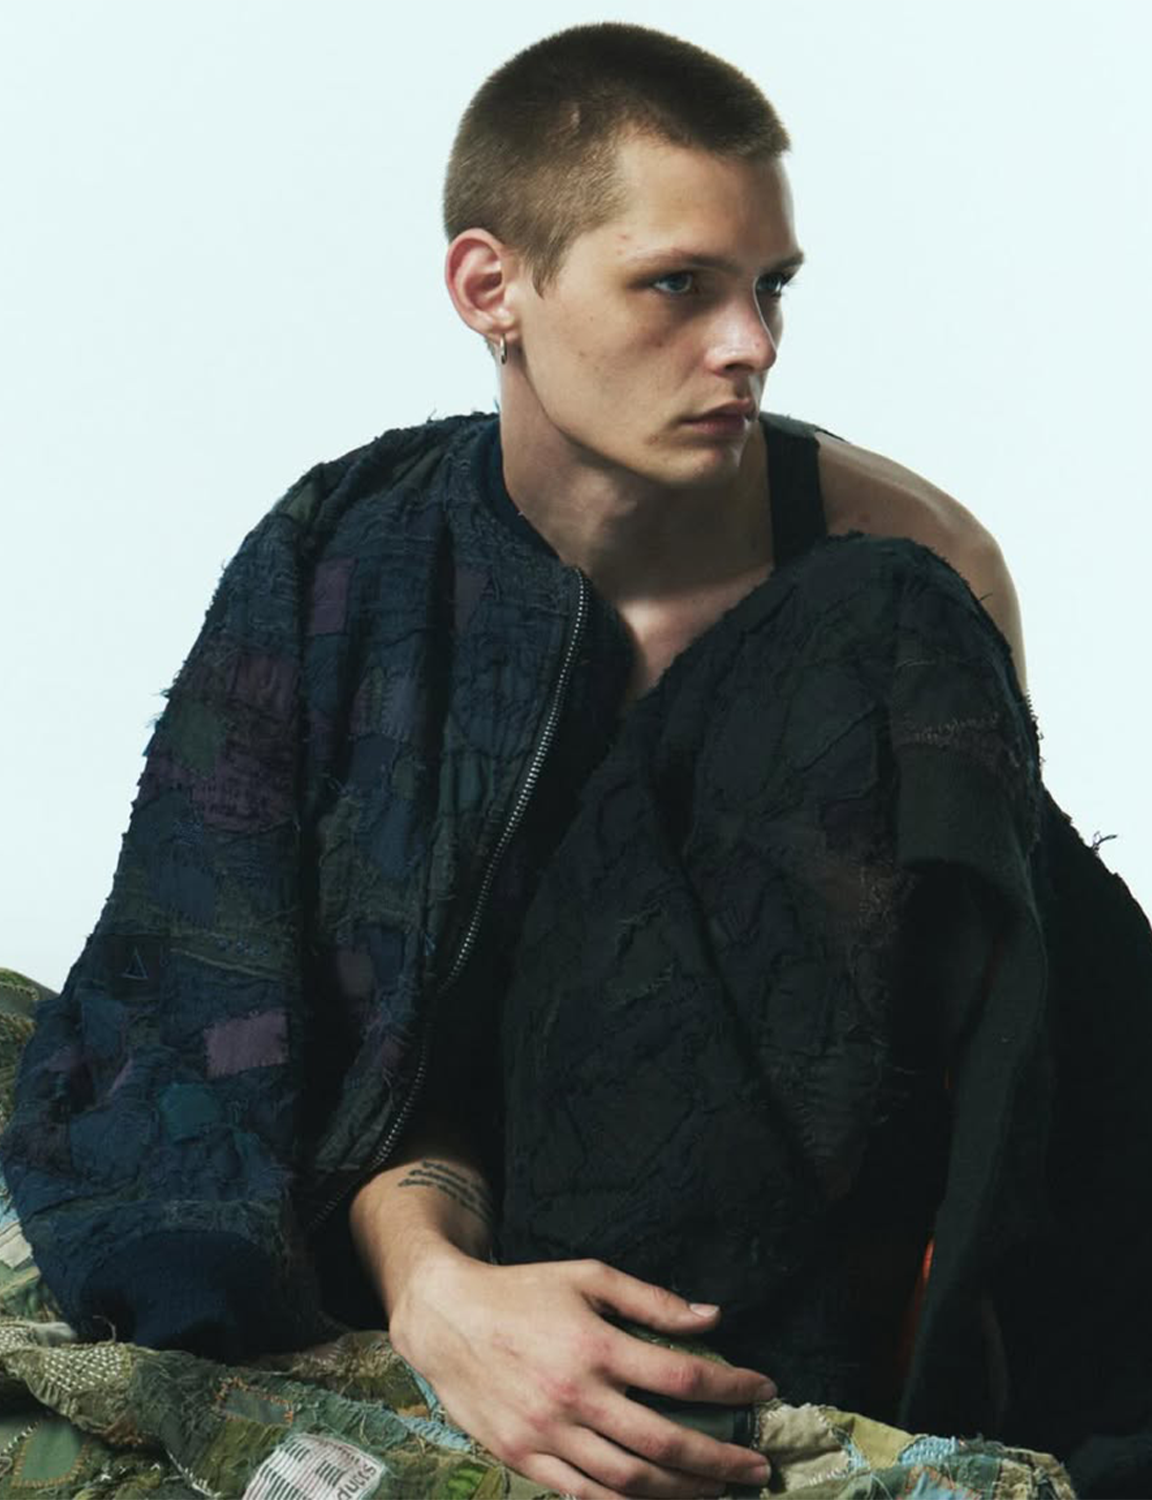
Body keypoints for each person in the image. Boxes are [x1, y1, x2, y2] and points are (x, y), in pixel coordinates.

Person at [1, 21, 1149, 1500]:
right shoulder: (348, 570)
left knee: (875, 626)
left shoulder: (904, 572)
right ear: (494, 288)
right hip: (476, 1208)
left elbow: (991, 1030)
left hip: (819, 1260)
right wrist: (432, 1286)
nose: (750, 344)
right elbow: (281, 1015)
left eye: (771, 287)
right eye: (679, 285)